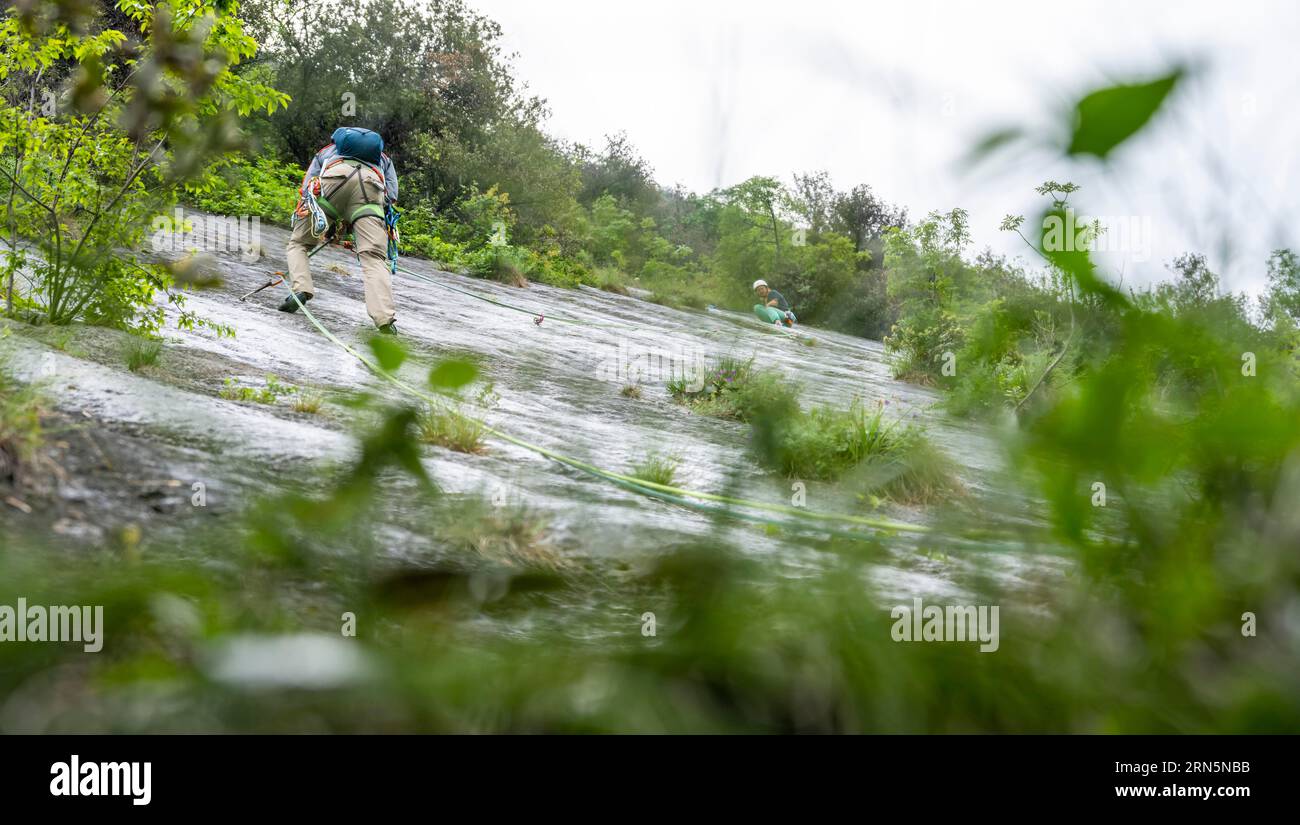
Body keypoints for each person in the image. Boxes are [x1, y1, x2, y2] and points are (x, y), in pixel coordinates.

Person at [281, 126, 400, 334]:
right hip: (371, 187)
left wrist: (329, 219)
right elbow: (391, 196)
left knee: (299, 243)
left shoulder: (327, 151)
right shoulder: (384, 159)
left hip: (333, 182)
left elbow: (308, 186)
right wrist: (356, 219)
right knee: (373, 259)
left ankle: (301, 289)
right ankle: (384, 319)